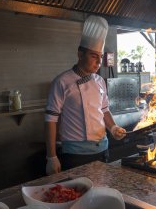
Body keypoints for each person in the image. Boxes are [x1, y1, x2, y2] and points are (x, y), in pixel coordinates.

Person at [44, 15, 126, 175]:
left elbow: (104, 110)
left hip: (102, 150)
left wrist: (113, 127)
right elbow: (50, 120)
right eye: (93, 56)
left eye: (100, 57)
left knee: (100, 194)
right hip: (75, 155)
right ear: (80, 54)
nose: (98, 62)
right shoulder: (62, 82)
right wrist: (51, 156)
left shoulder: (100, 81)